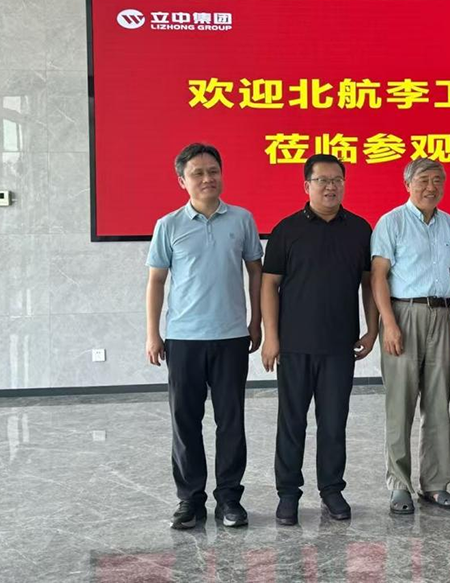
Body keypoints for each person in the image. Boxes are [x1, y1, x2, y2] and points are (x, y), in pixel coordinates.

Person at [144, 143, 263, 530]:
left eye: (213, 171)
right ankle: (190, 499)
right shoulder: (168, 225)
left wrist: (257, 321)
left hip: (231, 336)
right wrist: (153, 334)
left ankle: (229, 498)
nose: (207, 178)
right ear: (182, 181)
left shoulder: (242, 219)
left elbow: (256, 273)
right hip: (183, 338)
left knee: (231, 421)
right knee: (185, 421)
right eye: (197, 173)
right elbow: (156, 281)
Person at [261, 154, 379, 525]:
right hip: (294, 345)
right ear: (306, 185)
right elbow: (269, 285)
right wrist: (271, 337)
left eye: (337, 180)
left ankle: (331, 490)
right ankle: (288, 494)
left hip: (339, 346)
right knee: (291, 423)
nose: (330, 187)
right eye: (322, 180)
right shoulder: (286, 230)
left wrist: (372, 328)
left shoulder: (359, 229)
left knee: (333, 423)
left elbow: (369, 284)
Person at [371, 158, 450, 515]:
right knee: (400, 404)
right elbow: (378, 276)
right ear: (407, 184)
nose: (430, 187)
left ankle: (435, 484)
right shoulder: (391, 222)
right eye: (423, 180)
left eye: (437, 180)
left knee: (438, 404)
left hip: (442, 315)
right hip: (403, 314)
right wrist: (389, 323)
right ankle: (399, 485)